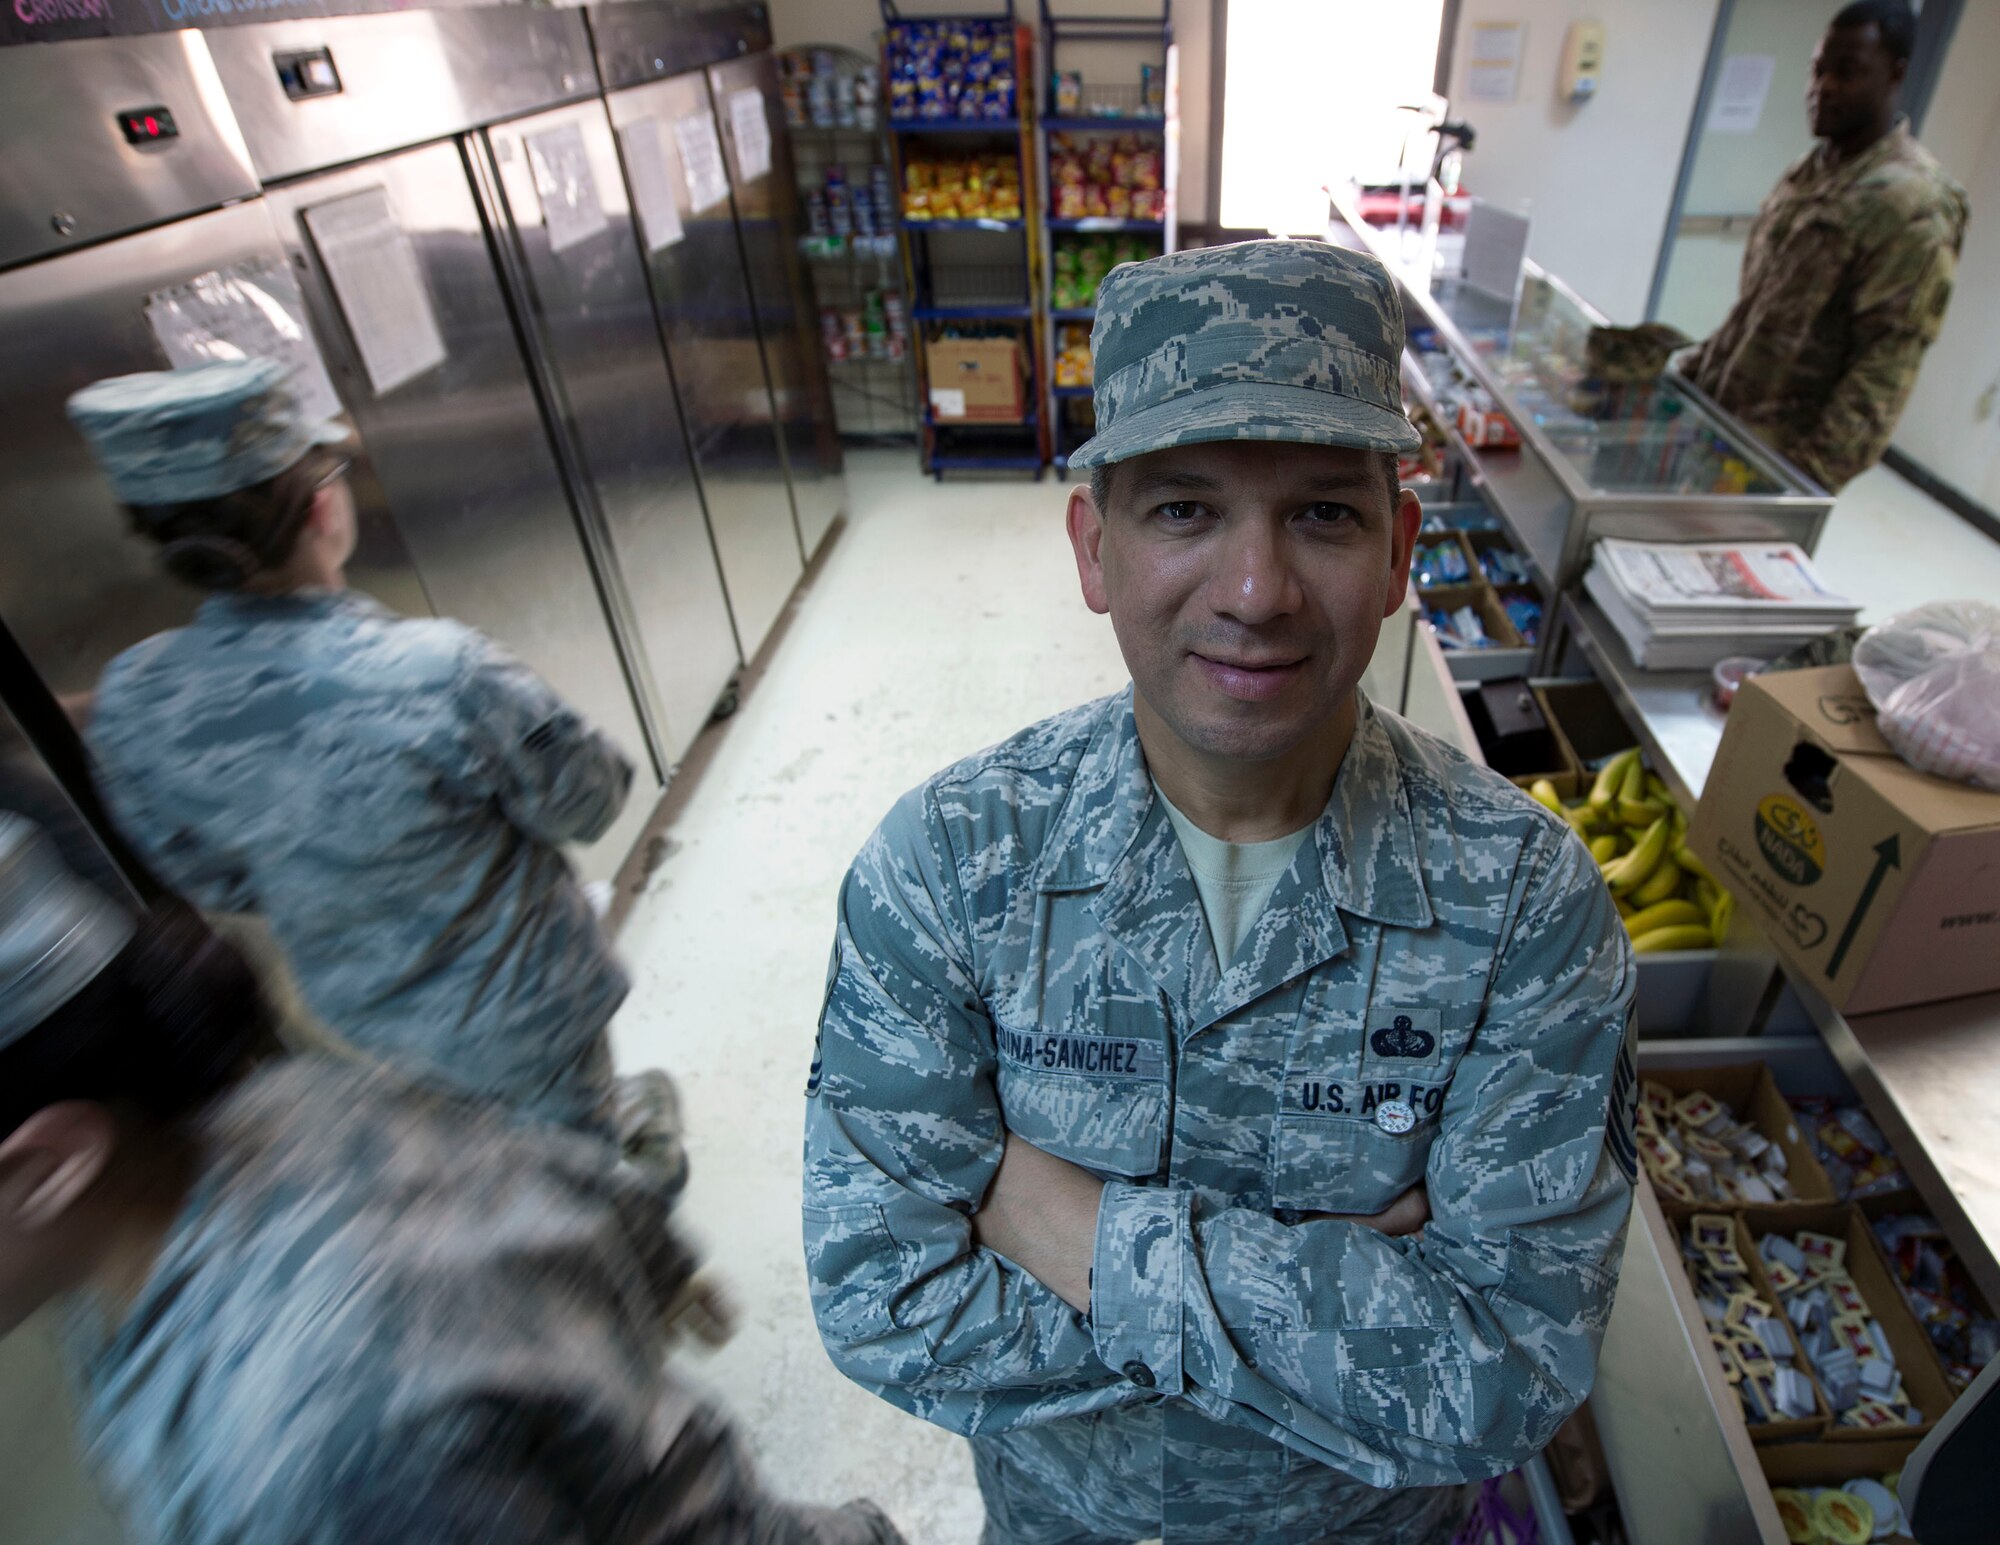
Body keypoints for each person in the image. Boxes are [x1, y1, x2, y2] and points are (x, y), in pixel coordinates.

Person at [801, 240, 1639, 1544]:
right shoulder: (952, 869)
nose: (1255, 592)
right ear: (1094, 550)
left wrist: (1047, 1216)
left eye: (1323, 513)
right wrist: (1339, 1299)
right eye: (1184, 509)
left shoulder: (1525, 911)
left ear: (1402, 546)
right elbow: (880, 1299)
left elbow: (1505, 1376)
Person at [0, 811, 897, 1544]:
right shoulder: (284, 1104)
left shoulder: (312, 1462)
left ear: (45, 1168)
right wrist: (659, 1269)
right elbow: (555, 1175)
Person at [67, 359, 643, 1141]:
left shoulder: (133, 696)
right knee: (587, 1185)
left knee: (458, 1179)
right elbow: (590, 800)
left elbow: (212, 876)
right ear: (319, 506)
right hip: (525, 1015)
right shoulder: (442, 671)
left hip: (362, 1027)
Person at [1681, 0, 1968, 493]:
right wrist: (1690, 374)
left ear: (1895, 74)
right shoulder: (1807, 172)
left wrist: (1800, 485)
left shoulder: (1912, 202)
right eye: (1818, 70)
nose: (1822, 88)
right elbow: (1758, 311)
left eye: (1847, 72)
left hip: (1776, 466)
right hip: (1721, 432)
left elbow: (1882, 375)